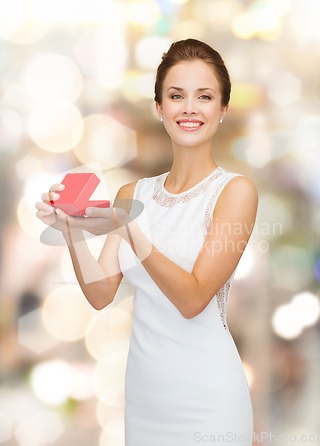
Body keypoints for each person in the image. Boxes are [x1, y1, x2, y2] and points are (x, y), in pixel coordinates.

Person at [36, 38, 258, 446]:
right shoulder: (131, 195)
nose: (189, 108)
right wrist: (72, 231)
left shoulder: (235, 192)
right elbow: (101, 294)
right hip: (144, 398)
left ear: (222, 109)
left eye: (204, 96)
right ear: (159, 107)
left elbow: (193, 300)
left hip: (209, 398)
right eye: (176, 96)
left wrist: (131, 233)